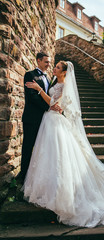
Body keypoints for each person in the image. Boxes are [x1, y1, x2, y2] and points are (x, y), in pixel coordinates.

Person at [23, 60, 104, 228]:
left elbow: (54, 104)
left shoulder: (64, 85)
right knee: (47, 156)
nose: (54, 68)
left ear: (64, 72)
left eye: (58, 67)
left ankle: (62, 195)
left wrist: (38, 90)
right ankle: (47, 190)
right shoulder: (53, 81)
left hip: (56, 123)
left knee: (58, 157)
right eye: (55, 66)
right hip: (48, 121)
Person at [20, 52, 62, 182]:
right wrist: (49, 107)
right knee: (28, 147)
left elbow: (50, 97)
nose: (49, 65)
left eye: (50, 62)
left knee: (41, 150)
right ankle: (23, 176)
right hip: (32, 119)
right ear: (38, 61)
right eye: (46, 62)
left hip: (46, 120)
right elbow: (32, 97)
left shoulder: (49, 78)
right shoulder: (30, 75)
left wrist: (54, 106)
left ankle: (36, 179)